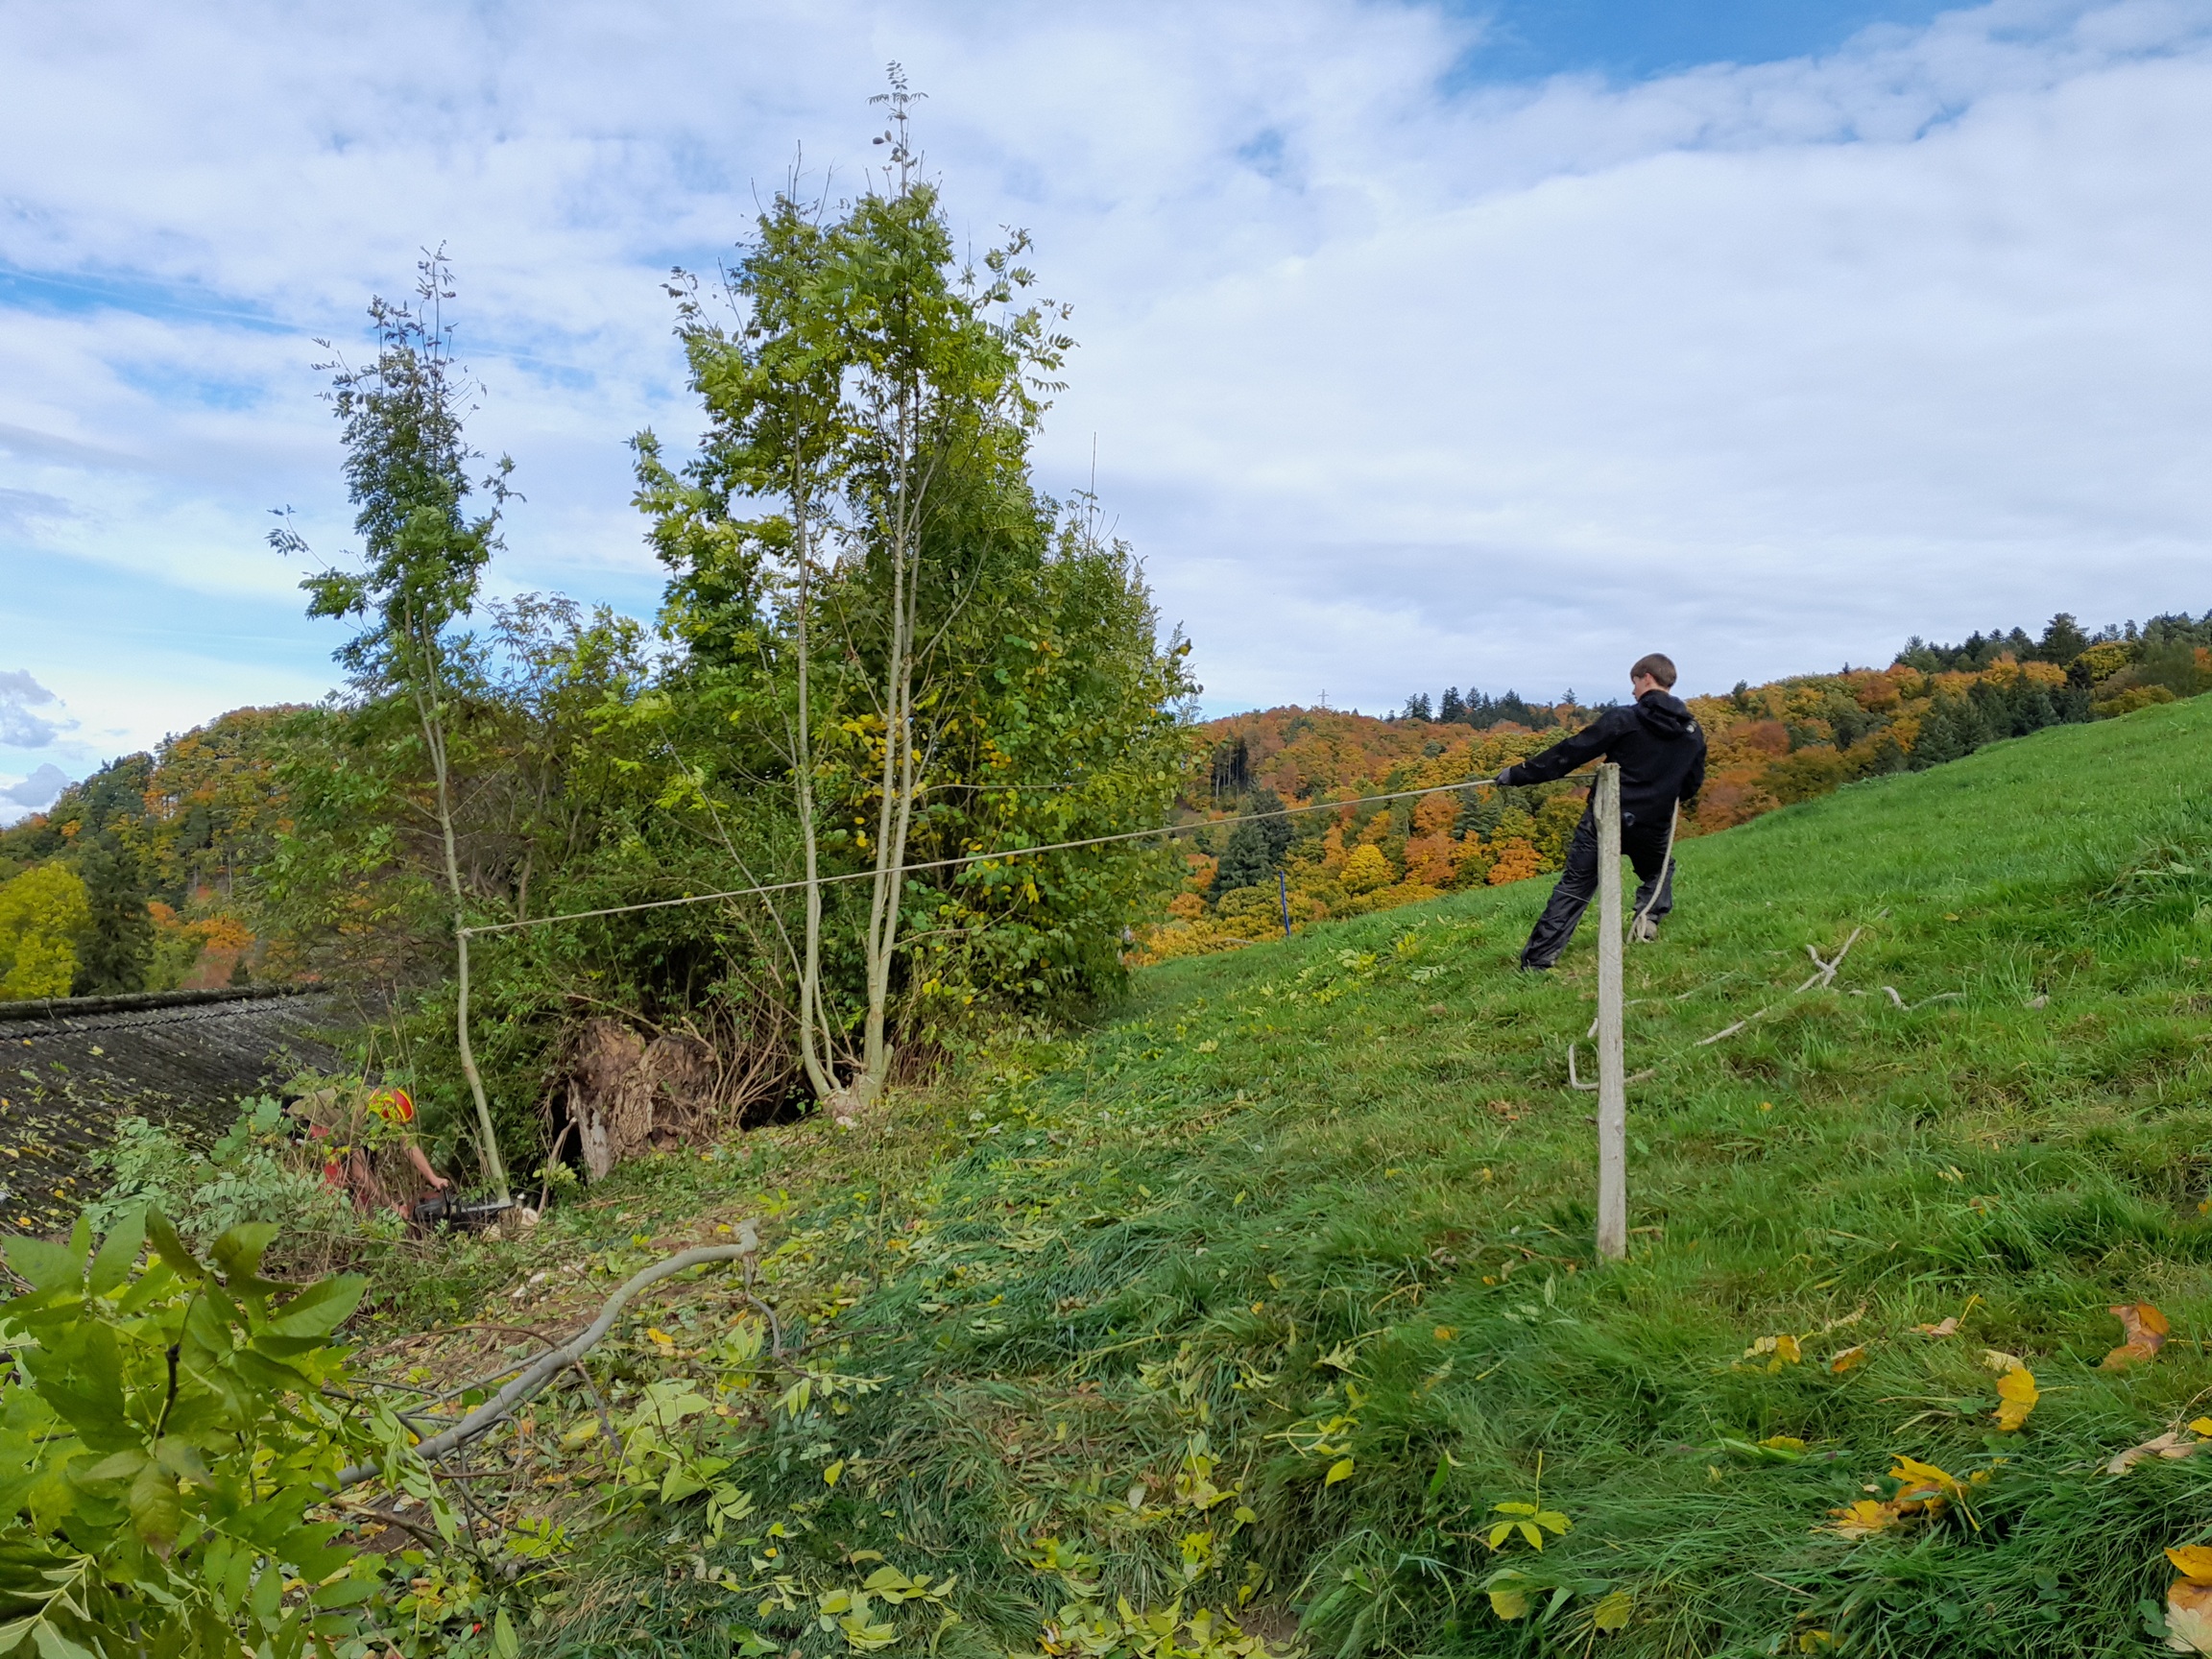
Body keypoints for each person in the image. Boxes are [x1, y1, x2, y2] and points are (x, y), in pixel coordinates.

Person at [1496, 653, 1707, 971]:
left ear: (1646, 678)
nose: (1633, 691)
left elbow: (1571, 753)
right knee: (1658, 871)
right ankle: (1647, 920)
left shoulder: (1625, 719)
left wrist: (1519, 774)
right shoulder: (1691, 731)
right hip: (1655, 822)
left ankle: (1538, 961)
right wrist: (1660, 791)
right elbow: (1691, 785)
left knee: (1575, 887)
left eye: (1634, 683)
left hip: (1606, 818)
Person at [289, 1081, 450, 1223]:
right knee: (339, 1167)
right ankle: (328, 1213)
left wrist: (433, 1178)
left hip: (334, 1125)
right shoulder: (357, 1117)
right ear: (380, 1119)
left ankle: (362, 1211)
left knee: (363, 1155)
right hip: (300, 1123)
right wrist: (393, 1206)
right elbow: (360, 1173)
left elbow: (408, 1144)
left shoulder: (379, 1102)